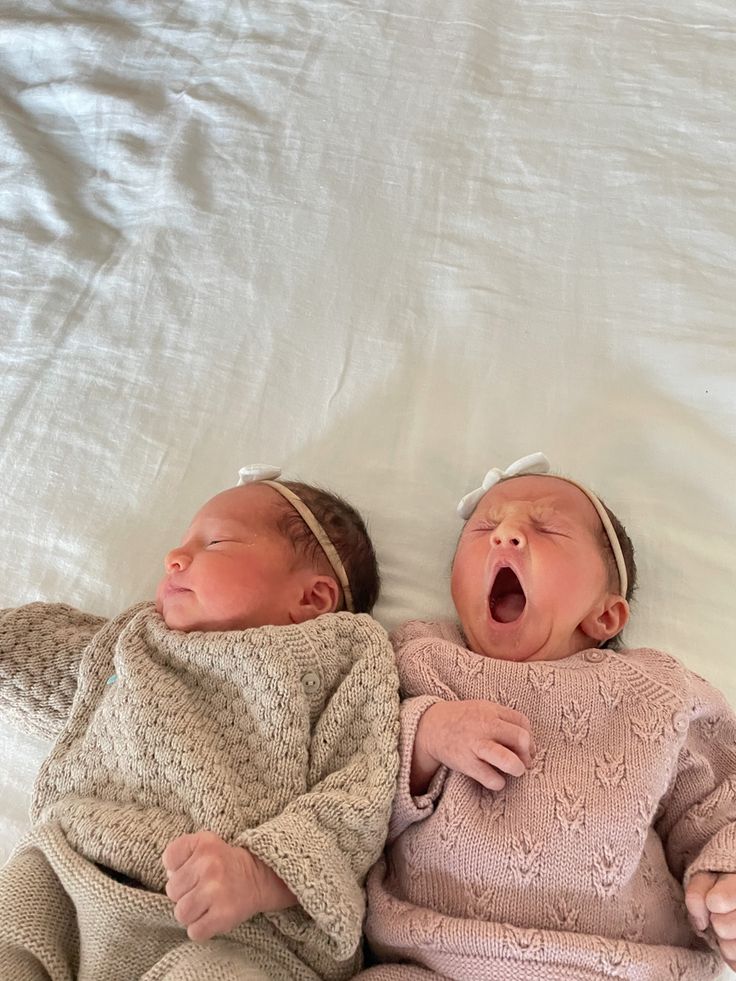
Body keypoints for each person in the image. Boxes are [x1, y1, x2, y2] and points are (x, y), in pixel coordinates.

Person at [0, 465, 400, 981]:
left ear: (311, 599)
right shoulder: (138, 640)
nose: (174, 557)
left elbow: (358, 793)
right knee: (16, 909)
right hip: (71, 870)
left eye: (215, 542)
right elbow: (52, 662)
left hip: (231, 922)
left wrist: (260, 873)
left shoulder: (343, 657)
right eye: (183, 541)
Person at [363, 453, 736, 980]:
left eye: (547, 528)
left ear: (605, 613)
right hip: (436, 959)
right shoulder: (418, 657)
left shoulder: (654, 688)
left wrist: (724, 872)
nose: (505, 535)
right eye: (485, 526)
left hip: (619, 966)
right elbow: (351, 775)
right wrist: (425, 734)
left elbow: (720, 794)